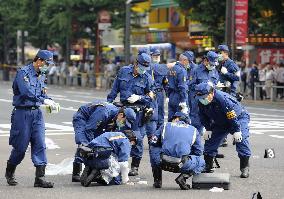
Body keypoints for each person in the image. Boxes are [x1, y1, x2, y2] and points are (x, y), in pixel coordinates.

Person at [5, 50, 60, 188]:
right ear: (39, 60)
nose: (48, 66)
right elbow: (26, 92)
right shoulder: (23, 73)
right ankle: (10, 171)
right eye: (47, 63)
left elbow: (42, 93)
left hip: (37, 114)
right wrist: (43, 100)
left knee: (40, 144)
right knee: (21, 146)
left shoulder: (41, 75)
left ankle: (39, 178)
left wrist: (50, 101)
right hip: (22, 114)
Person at [107, 52, 155, 176]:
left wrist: (139, 97)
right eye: (142, 67)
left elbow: (151, 96)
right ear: (135, 63)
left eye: (146, 68)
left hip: (138, 113)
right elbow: (115, 88)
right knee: (120, 136)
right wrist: (108, 103)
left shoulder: (147, 78)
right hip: (123, 111)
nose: (143, 70)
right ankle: (118, 163)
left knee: (138, 139)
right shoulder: (124, 71)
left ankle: (135, 167)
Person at [195, 82, 251, 178]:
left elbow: (231, 116)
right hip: (220, 121)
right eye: (201, 98)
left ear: (211, 93)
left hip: (238, 117)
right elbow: (202, 116)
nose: (203, 100)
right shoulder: (201, 100)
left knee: (242, 139)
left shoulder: (222, 99)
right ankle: (208, 165)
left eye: (205, 97)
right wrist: (208, 129)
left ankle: (244, 167)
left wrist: (237, 130)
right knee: (210, 140)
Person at [72, 101, 136, 182]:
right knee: (84, 143)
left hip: (96, 122)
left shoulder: (115, 116)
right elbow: (89, 129)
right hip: (83, 118)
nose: (123, 124)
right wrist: (91, 147)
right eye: (124, 121)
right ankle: (76, 173)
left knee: (101, 143)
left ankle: (92, 168)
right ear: (121, 115)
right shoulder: (104, 112)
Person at [149, 112, 205, 190]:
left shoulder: (165, 125)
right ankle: (183, 177)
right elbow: (198, 152)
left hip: (162, 162)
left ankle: (157, 180)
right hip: (182, 164)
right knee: (201, 162)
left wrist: (163, 143)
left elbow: (152, 141)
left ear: (177, 118)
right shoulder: (194, 130)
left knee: (153, 148)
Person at [149, 47, 169, 129]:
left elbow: (165, 82)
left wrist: (167, 95)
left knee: (161, 112)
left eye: (158, 56)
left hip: (160, 92)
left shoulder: (161, 67)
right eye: (154, 56)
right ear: (150, 56)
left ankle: (160, 131)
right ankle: (153, 133)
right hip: (151, 93)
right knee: (152, 113)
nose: (156, 57)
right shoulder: (148, 67)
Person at [166, 53, 189, 120]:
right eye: (188, 61)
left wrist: (168, 96)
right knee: (182, 119)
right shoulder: (181, 70)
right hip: (179, 97)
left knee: (171, 118)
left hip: (171, 96)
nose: (188, 63)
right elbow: (182, 86)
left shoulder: (171, 69)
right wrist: (183, 100)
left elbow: (167, 84)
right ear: (184, 60)